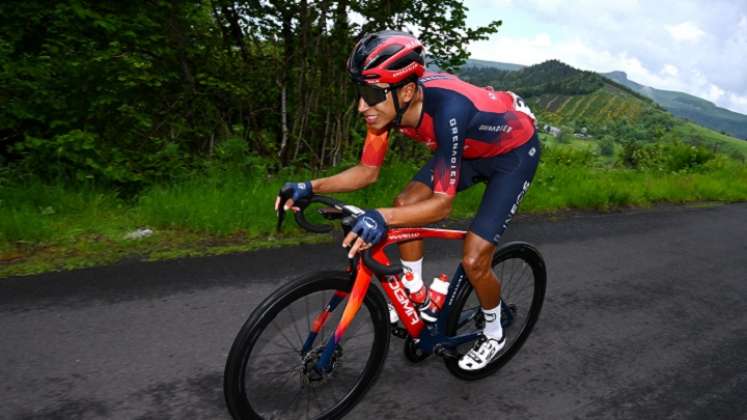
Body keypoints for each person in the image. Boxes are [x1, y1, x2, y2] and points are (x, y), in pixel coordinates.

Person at [275, 30, 540, 371]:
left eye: (371, 94)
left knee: (475, 258)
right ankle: (417, 294)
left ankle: (493, 330)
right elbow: (367, 171)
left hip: (512, 155)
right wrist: (309, 185)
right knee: (405, 204)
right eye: (360, 92)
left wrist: (379, 218)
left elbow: (442, 205)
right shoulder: (386, 108)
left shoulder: (448, 111)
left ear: (408, 90)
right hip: (467, 151)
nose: (361, 106)